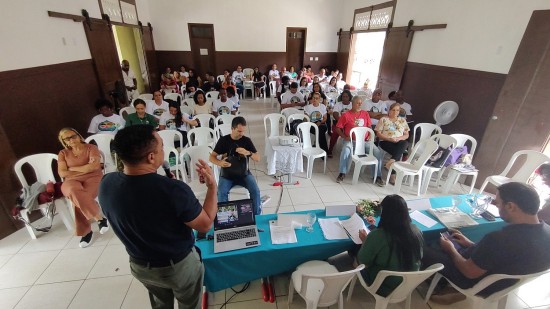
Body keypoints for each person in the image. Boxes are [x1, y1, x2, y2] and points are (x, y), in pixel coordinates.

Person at [99, 125, 217, 309]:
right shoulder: (173, 190)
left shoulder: (107, 183)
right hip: (177, 267)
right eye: (161, 147)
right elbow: (205, 224)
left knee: (161, 304)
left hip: (140, 265)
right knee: (189, 304)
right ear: (151, 157)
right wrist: (212, 187)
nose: (163, 151)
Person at [422, 182, 550, 304]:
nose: (496, 206)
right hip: (508, 283)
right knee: (453, 243)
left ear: (510, 206)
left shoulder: (499, 238)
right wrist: (469, 244)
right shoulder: (547, 232)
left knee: (423, 246)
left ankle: (438, 282)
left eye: (498, 203)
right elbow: (501, 255)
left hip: (479, 283)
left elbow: (469, 272)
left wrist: (450, 249)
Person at [356, 194, 423, 297]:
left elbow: (363, 261)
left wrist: (365, 241)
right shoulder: (416, 231)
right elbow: (420, 256)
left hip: (382, 286)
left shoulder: (377, 235)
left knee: (353, 255)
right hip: (408, 284)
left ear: (385, 214)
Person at [57, 128, 109, 248]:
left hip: (93, 178)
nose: (72, 139)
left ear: (78, 136)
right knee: (74, 191)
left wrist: (72, 169)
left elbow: (94, 167)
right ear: (64, 141)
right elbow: (62, 173)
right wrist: (84, 168)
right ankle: (99, 218)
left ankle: (86, 232)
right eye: (67, 138)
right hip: (71, 181)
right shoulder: (63, 153)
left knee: (78, 198)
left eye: (73, 136)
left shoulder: (91, 148)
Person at [210, 116, 262, 215]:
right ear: (232, 128)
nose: (241, 134)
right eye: (239, 131)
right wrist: (220, 163)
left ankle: (256, 216)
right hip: (227, 175)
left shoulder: (246, 140)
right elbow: (212, 157)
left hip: (244, 173)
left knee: (255, 191)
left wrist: (248, 152)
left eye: (243, 131)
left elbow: (258, 158)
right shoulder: (223, 140)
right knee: (221, 193)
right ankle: (226, 218)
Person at [333, 96, 384, 185]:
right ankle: (342, 173)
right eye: (358, 103)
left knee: (377, 152)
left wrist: (370, 135)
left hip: (365, 141)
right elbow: (338, 128)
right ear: (352, 104)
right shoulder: (346, 115)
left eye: (361, 103)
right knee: (345, 151)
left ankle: (377, 176)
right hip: (351, 141)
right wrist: (344, 136)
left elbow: (369, 126)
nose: (360, 104)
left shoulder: (365, 114)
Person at [375, 102, 409, 184]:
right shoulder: (384, 119)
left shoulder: (402, 121)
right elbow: (378, 133)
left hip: (398, 142)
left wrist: (398, 138)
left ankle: (390, 162)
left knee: (404, 143)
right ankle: (392, 175)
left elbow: (406, 134)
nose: (395, 112)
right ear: (389, 111)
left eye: (397, 110)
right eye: (393, 110)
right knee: (399, 151)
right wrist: (389, 139)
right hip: (385, 141)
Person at [328, 90, 353, 157]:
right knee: (335, 133)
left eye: (346, 97)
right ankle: (330, 150)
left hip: (349, 125)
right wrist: (342, 122)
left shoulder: (352, 105)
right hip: (338, 123)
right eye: (343, 96)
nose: (345, 98)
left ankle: (351, 150)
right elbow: (335, 114)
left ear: (349, 97)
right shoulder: (338, 104)